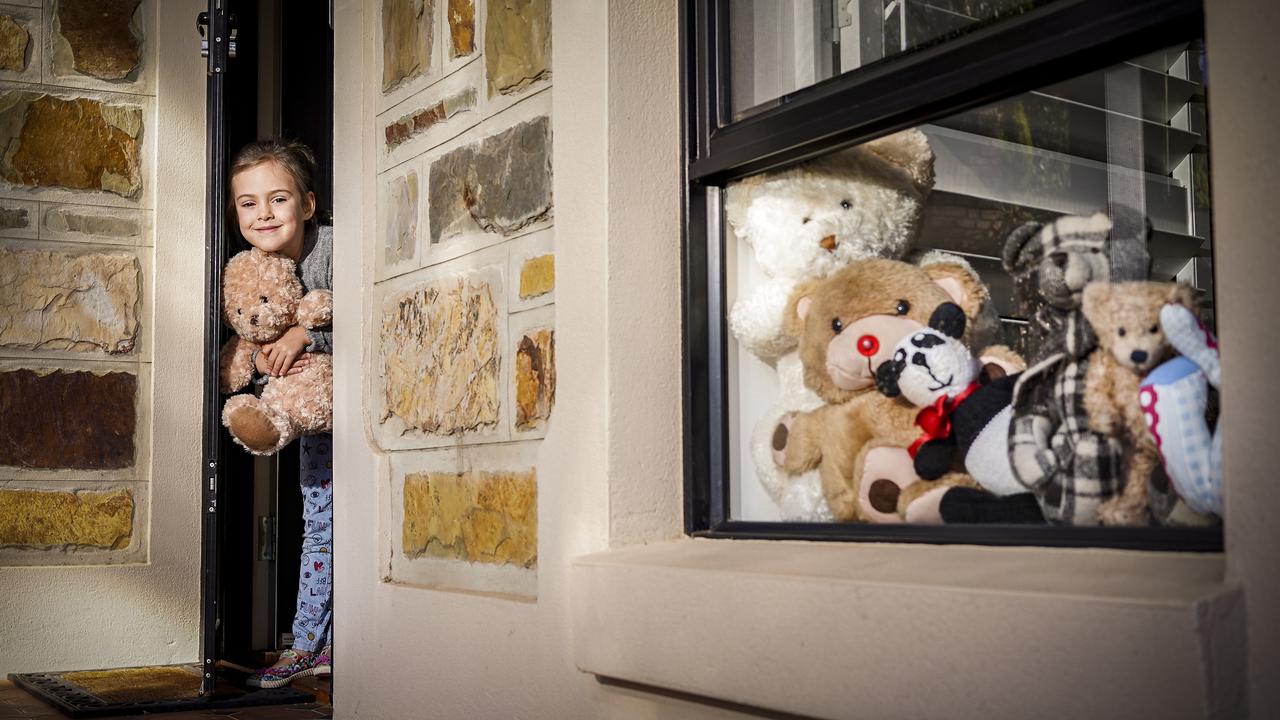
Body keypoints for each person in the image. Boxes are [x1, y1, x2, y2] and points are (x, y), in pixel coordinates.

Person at [229, 138, 334, 689]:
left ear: (308, 205)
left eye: (278, 199)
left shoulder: (332, 251)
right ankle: (316, 643)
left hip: (357, 409)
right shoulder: (256, 268)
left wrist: (303, 333)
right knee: (320, 527)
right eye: (248, 203)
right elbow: (254, 324)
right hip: (315, 424)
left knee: (340, 529)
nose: (263, 214)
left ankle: (313, 642)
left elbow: (369, 306)